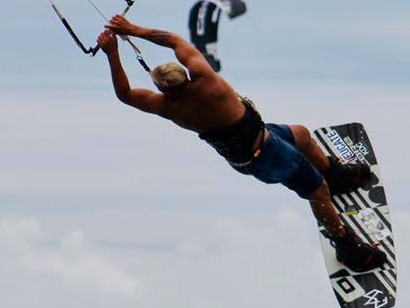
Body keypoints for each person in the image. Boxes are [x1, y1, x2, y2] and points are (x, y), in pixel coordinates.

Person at [97, 14, 387, 271]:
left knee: (300, 134)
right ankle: (345, 245)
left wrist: (113, 53)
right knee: (316, 191)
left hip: (256, 147)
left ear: (162, 88)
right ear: (185, 74)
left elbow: (124, 93)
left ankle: (334, 176)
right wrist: (131, 29)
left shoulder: (167, 107)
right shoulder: (206, 78)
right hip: (267, 156)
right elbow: (172, 39)